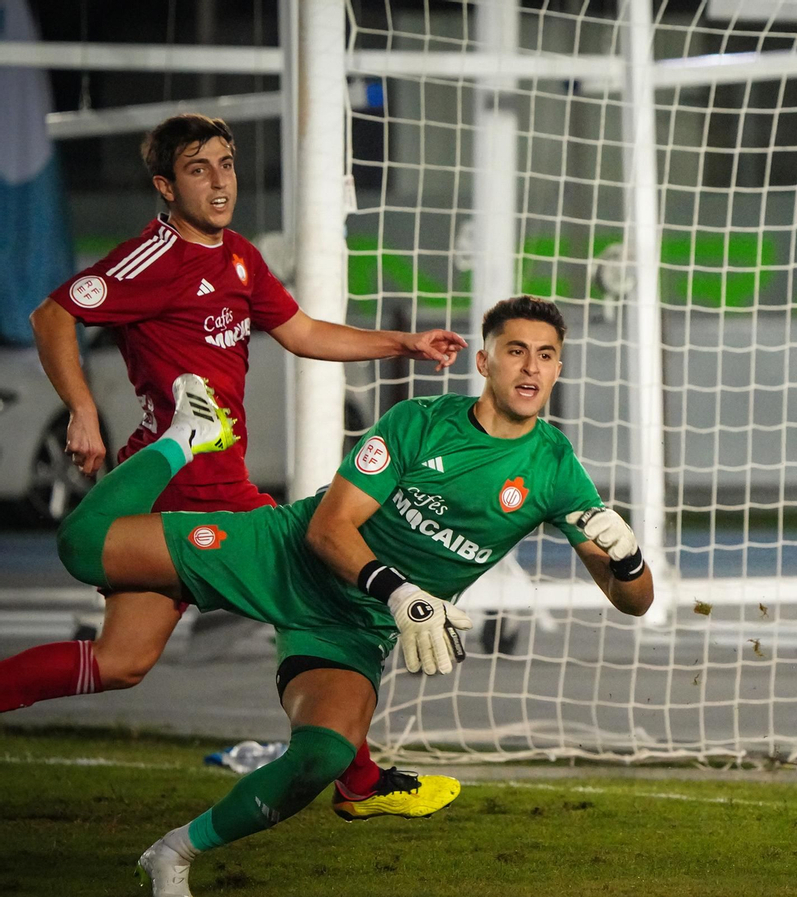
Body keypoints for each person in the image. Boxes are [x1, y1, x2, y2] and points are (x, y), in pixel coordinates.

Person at [46, 296, 652, 895]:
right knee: (82, 547)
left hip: (350, 628)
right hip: (282, 557)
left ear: (560, 369)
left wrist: (627, 557)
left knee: (322, 756)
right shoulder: (417, 424)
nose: (530, 368)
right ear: (485, 362)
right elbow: (328, 529)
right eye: (515, 351)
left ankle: (173, 852)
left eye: (546, 356)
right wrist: (400, 593)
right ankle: (185, 436)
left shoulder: (555, 470)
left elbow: (635, 602)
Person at [0, 113, 469, 820]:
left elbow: (302, 330)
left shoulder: (241, 258)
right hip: (169, 499)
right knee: (326, 592)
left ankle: (356, 773)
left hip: (226, 493)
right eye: (199, 168)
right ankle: (359, 777)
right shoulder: (151, 259)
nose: (220, 181)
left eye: (226, 163)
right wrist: (82, 408)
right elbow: (51, 316)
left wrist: (402, 342)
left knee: (122, 662)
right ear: (165, 185)